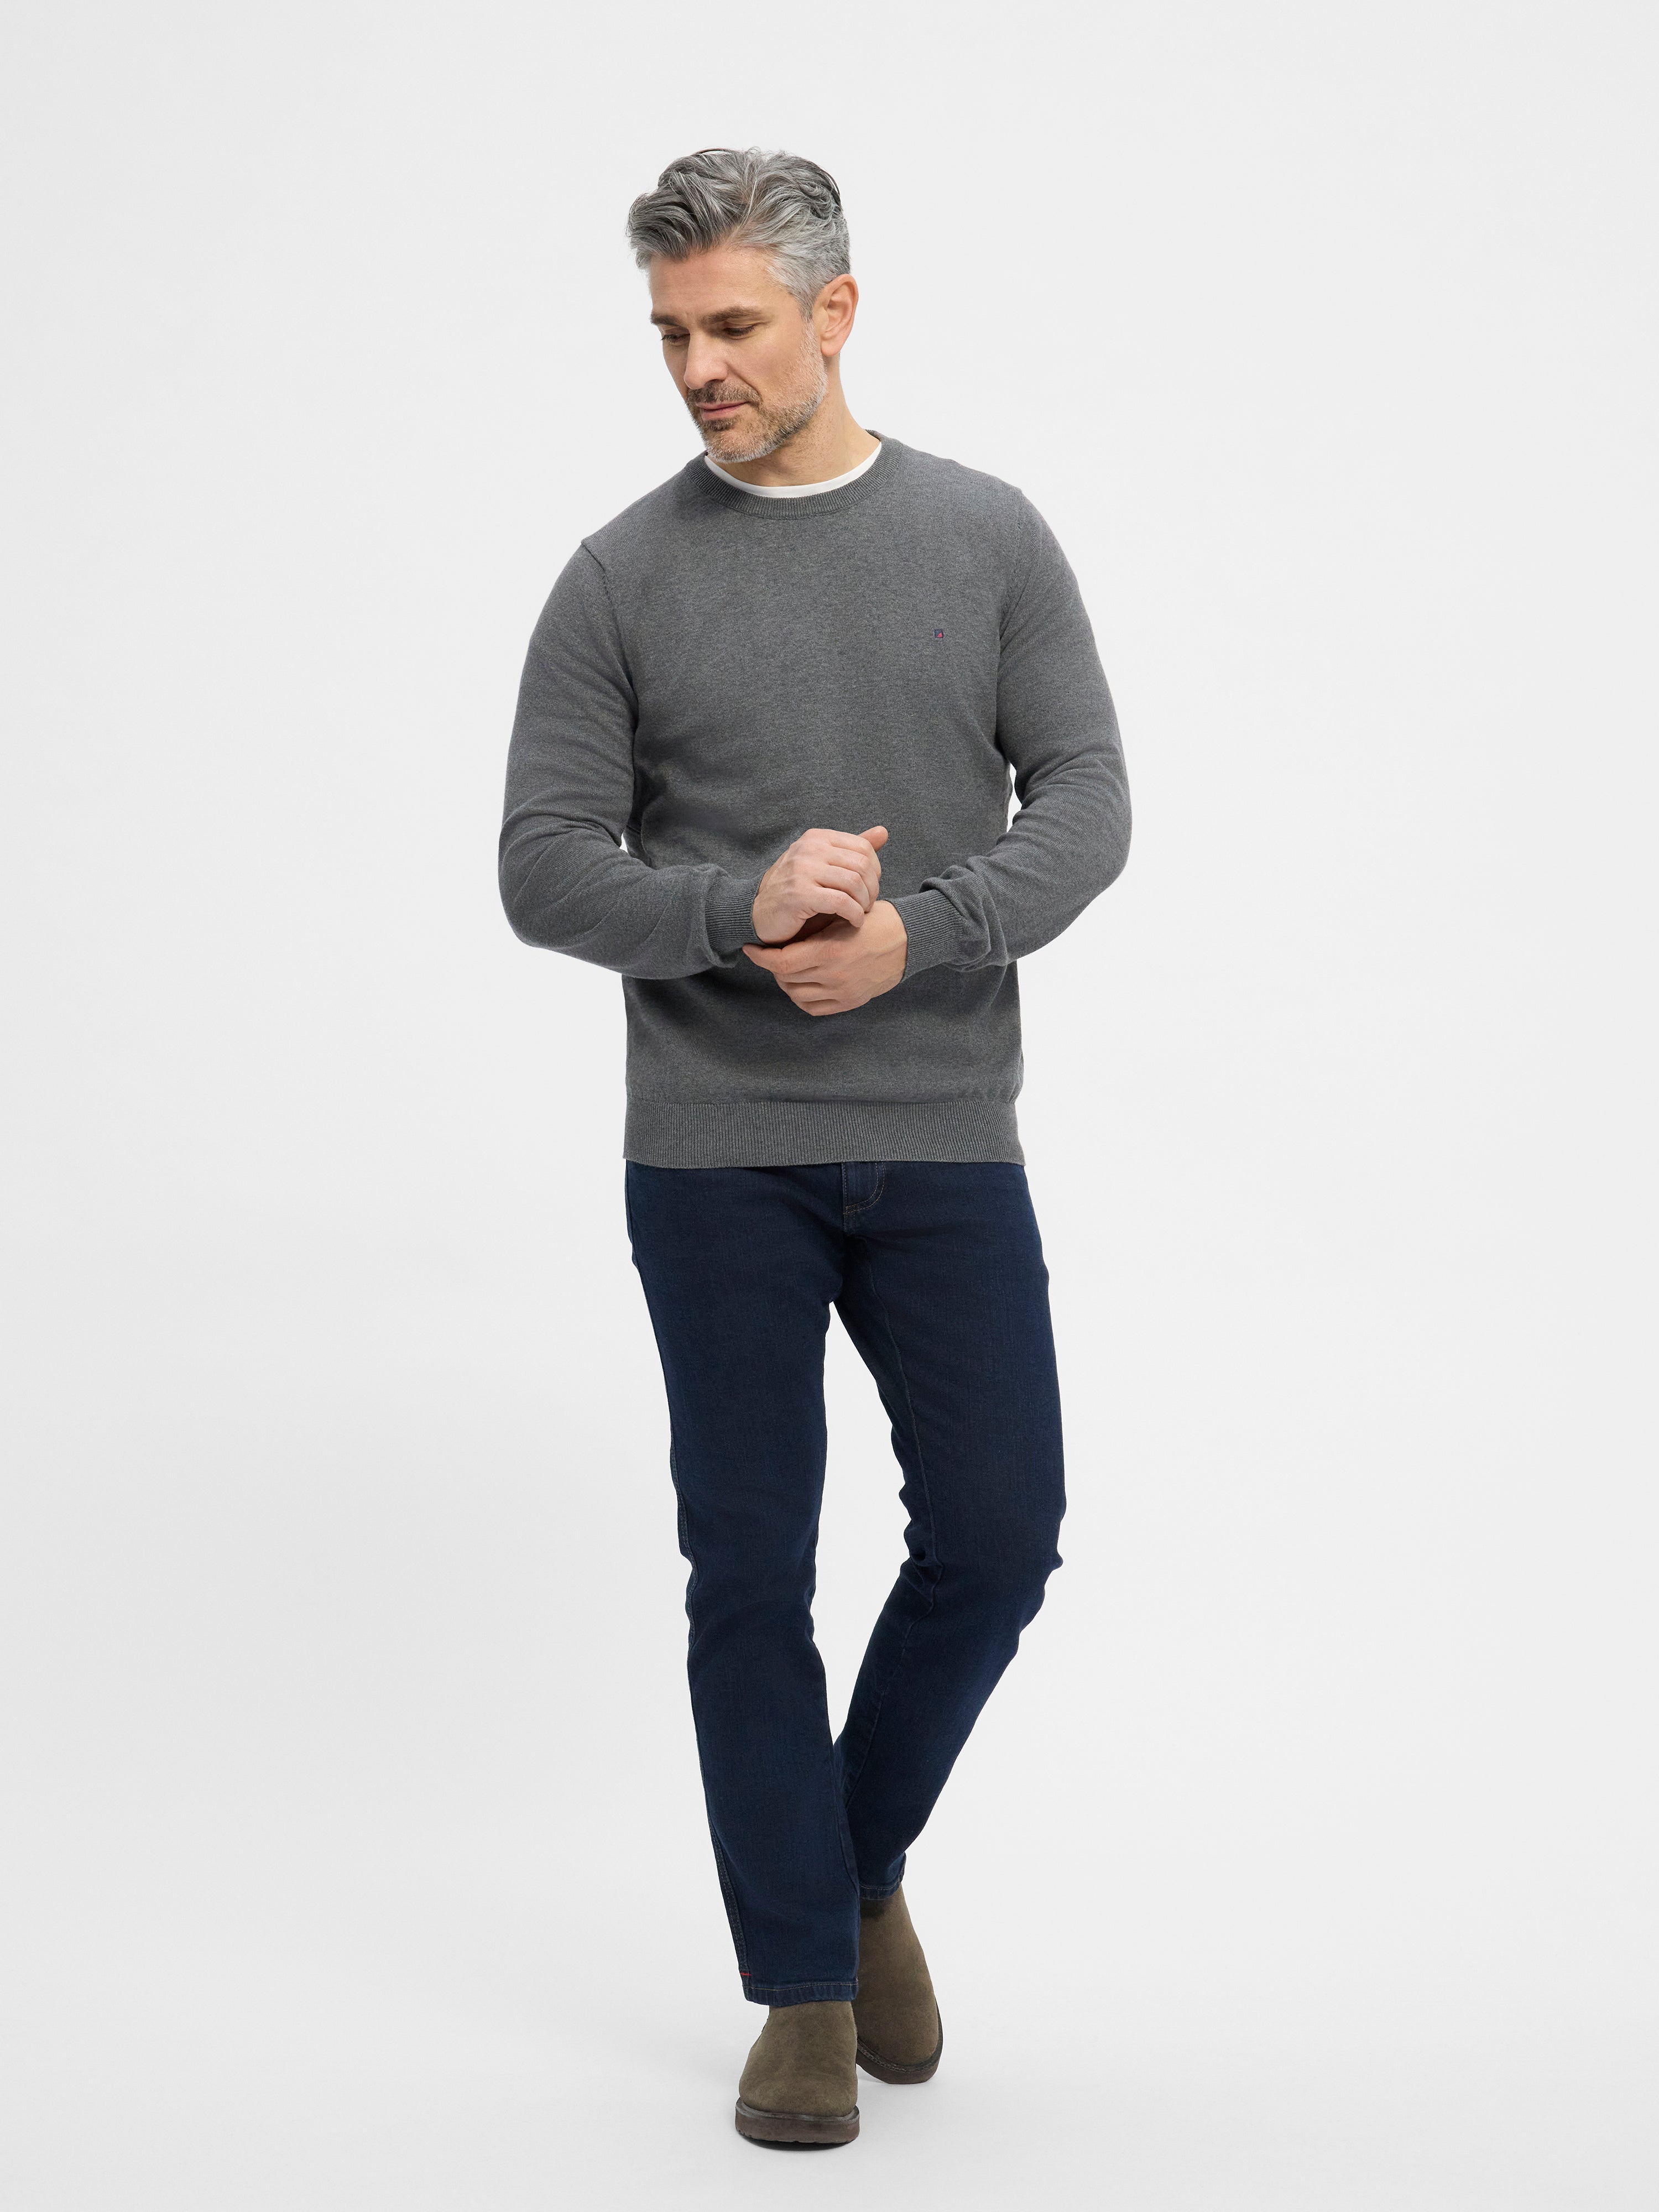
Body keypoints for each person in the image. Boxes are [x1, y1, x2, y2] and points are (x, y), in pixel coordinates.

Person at [499, 147, 1130, 2147]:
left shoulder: (986, 536)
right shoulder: (619, 577)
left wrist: (919, 935)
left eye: (735, 325)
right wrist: (736, 909)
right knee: (751, 1569)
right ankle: (800, 1990)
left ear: (834, 313)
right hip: (713, 1149)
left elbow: (1089, 802)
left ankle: (854, 1874)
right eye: (671, 333)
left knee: (1000, 1537)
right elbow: (541, 865)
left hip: (943, 1129)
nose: (700, 365)